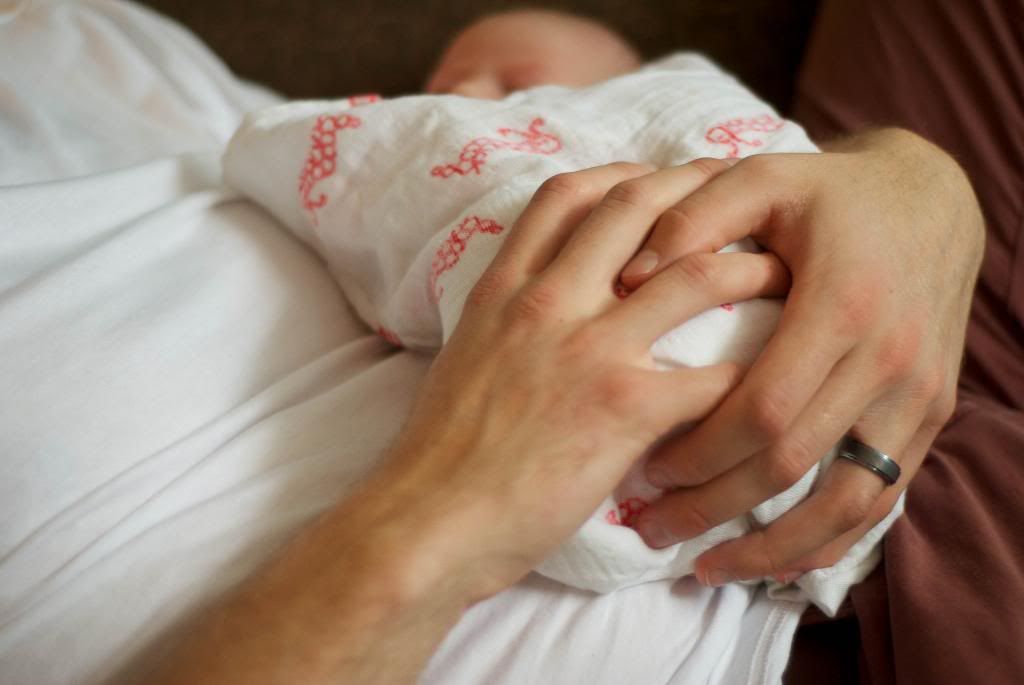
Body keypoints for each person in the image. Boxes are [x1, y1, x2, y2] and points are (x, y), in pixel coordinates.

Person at [149, 9, 985, 685]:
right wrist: (451, 505)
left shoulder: (665, 107)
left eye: (515, 84)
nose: (462, 96)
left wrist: (918, 176)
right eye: (441, 89)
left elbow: (737, 143)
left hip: (888, 427)